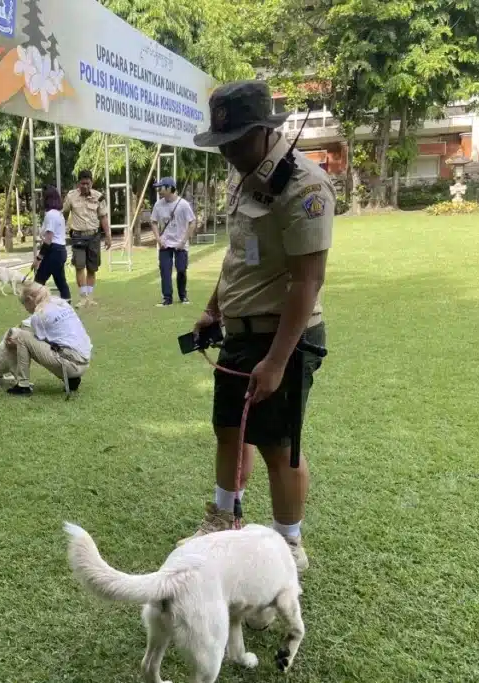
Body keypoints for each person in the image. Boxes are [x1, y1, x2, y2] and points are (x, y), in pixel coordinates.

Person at [182, 80, 333, 573]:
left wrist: (276, 361)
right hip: (241, 333)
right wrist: (214, 308)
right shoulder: (246, 178)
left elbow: (307, 281)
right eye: (223, 143)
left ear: (268, 131)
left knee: (278, 444)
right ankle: (222, 518)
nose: (229, 152)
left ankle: (289, 545)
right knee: (228, 429)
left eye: (239, 141)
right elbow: (237, 256)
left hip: (281, 336)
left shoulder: (305, 187)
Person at [5, 281, 91, 396]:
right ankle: (72, 380)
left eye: (23, 303)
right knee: (56, 344)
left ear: (30, 299)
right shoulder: (60, 302)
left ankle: (23, 385)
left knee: (21, 336)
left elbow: (36, 340)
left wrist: (15, 339)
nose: (25, 308)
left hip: (70, 365)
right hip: (84, 361)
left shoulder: (38, 316)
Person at [64, 170, 112, 308]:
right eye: (82, 183)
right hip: (78, 236)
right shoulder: (71, 196)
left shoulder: (99, 197)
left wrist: (108, 236)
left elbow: (103, 217)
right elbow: (65, 213)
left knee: (92, 268)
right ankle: (83, 297)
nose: (85, 186)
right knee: (80, 267)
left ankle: (90, 297)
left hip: (94, 236)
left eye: (88, 183)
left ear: (91, 182)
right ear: (78, 183)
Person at [150, 176, 196, 307]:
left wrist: (184, 241)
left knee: (181, 270)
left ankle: (183, 296)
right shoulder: (158, 204)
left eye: (161, 188)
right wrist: (158, 239)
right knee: (165, 271)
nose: (158, 190)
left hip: (181, 244)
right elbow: (153, 222)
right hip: (165, 243)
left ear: (170, 188)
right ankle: (167, 298)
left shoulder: (183, 205)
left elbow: (192, 222)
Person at [33, 185, 72, 301]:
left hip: (53, 251)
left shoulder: (51, 215)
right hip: (60, 250)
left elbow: (49, 239)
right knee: (61, 282)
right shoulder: (58, 214)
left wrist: (39, 258)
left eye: (43, 197)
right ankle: (67, 308)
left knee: (38, 282)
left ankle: (38, 309)